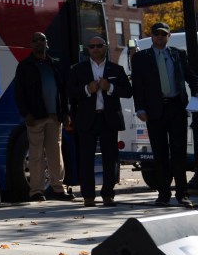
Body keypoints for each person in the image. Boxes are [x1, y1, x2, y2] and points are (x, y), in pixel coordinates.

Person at [131, 22, 198, 207]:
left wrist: (195, 97)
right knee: (159, 153)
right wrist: (140, 109)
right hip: (154, 110)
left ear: (168, 36)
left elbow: (191, 78)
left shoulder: (178, 54)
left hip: (176, 108)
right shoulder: (141, 58)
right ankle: (163, 194)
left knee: (179, 152)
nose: (159, 37)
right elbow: (138, 86)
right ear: (152, 36)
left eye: (163, 34)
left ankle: (182, 194)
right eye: (156, 34)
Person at [67, 37, 132, 207]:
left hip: (108, 118)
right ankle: (88, 196)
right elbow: (70, 92)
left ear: (105, 47)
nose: (95, 49)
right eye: (92, 46)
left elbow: (128, 91)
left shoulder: (116, 69)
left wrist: (109, 87)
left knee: (110, 158)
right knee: (85, 158)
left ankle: (108, 195)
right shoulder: (78, 69)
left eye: (99, 46)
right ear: (88, 49)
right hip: (87, 119)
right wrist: (87, 90)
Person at [14, 32, 74, 202]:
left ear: (47, 43)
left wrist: (66, 113)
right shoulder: (25, 66)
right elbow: (19, 93)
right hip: (36, 118)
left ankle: (57, 189)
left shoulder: (54, 65)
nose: (39, 42)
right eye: (35, 40)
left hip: (55, 117)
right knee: (36, 155)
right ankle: (36, 191)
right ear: (31, 45)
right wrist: (26, 113)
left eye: (42, 39)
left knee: (56, 154)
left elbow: (63, 91)